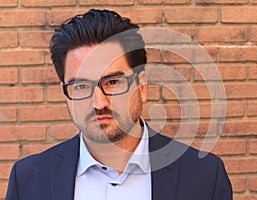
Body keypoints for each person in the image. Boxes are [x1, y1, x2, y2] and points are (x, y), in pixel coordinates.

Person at [6, 9, 232, 200]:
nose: (98, 103)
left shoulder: (205, 176)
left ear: (142, 86)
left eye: (112, 82)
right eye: (81, 86)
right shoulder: (28, 180)